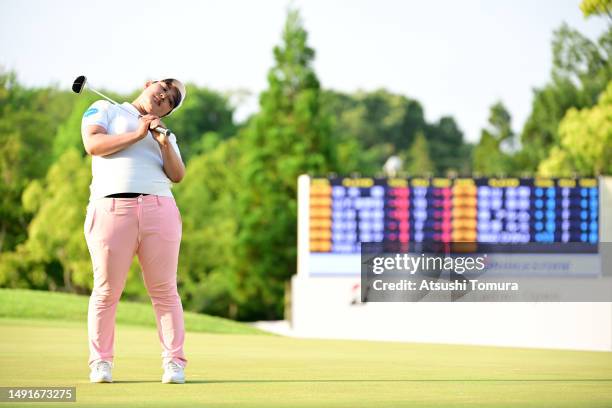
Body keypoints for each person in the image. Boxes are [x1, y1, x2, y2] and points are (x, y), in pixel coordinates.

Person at [81, 78, 188, 384]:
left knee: (165, 292)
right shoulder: (104, 108)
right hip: (111, 209)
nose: (164, 95)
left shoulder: (164, 133)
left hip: (160, 209)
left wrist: (162, 142)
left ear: (168, 111)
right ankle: (100, 362)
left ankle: (174, 363)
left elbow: (177, 174)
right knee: (106, 292)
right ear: (148, 84)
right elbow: (94, 145)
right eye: (164, 87)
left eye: (171, 99)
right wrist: (137, 133)